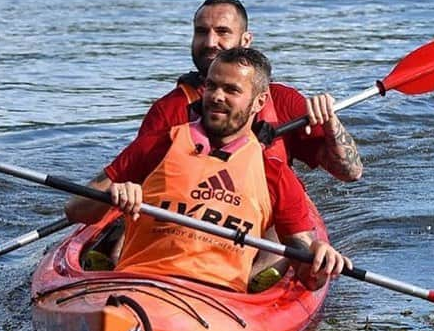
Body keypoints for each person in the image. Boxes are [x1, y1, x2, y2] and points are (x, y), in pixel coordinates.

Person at [65, 47, 351, 293]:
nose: (216, 96)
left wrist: (319, 259)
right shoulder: (161, 143)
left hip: (216, 300)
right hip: (138, 284)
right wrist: (111, 195)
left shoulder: (273, 171)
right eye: (212, 86)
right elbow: (76, 209)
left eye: (231, 90)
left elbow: (307, 275)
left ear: (259, 102)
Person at [137, 0, 363, 182]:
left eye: (222, 31)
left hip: (264, 215)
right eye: (201, 31)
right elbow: (137, 178)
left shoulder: (283, 101)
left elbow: (350, 172)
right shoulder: (168, 109)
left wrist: (331, 123)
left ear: (245, 40)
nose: (209, 42)